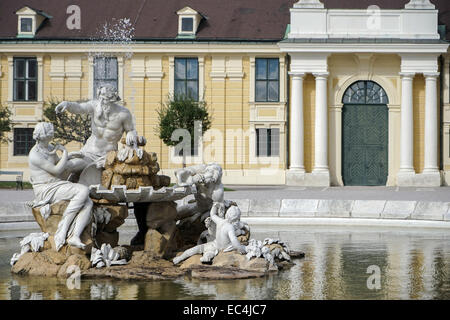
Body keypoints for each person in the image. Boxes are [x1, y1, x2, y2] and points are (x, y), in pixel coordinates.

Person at [29, 122, 93, 251]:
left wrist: (70, 155)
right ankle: (63, 230)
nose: (53, 133)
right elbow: (57, 170)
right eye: (50, 132)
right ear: (43, 135)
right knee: (83, 190)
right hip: (45, 189)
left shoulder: (49, 147)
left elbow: (58, 163)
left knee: (88, 202)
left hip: (56, 184)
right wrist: (65, 152)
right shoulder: (35, 154)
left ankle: (75, 236)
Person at [54, 84, 138, 174]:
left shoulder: (123, 114)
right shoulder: (94, 106)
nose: (102, 102)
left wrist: (131, 133)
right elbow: (80, 108)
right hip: (88, 153)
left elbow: (130, 130)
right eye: (100, 98)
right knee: (69, 165)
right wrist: (68, 104)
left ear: (113, 99)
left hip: (108, 156)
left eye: (105, 99)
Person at [173, 202, 246, 265]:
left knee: (196, 248)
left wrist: (214, 206)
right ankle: (206, 257)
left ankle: (180, 258)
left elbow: (212, 214)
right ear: (237, 218)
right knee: (210, 252)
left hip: (213, 244)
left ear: (227, 214)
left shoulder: (220, 221)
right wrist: (241, 249)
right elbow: (234, 241)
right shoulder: (230, 227)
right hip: (220, 248)